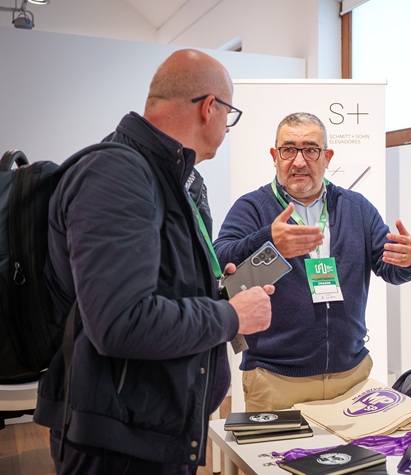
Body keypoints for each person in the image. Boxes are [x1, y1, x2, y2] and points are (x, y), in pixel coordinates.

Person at [33, 49, 276, 475]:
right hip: (119, 445)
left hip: (154, 431)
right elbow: (120, 322)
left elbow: (157, 286)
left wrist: (215, 291)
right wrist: (230, 316)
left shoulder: (173, 177)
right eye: (229, 114)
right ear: (209, 108)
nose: (227, 127)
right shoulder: (117, 174)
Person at [213, 112, 411, 411]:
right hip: (276, 380)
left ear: (327, 157)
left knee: (359, 445)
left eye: (310, 150)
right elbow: (220, 259)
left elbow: (390, 269)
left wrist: (410, 258)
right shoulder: (253, 207)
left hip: (351, 376)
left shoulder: (356, 207)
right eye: (288, 150)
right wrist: (268, 240)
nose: (299, 161)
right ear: (274, 156)